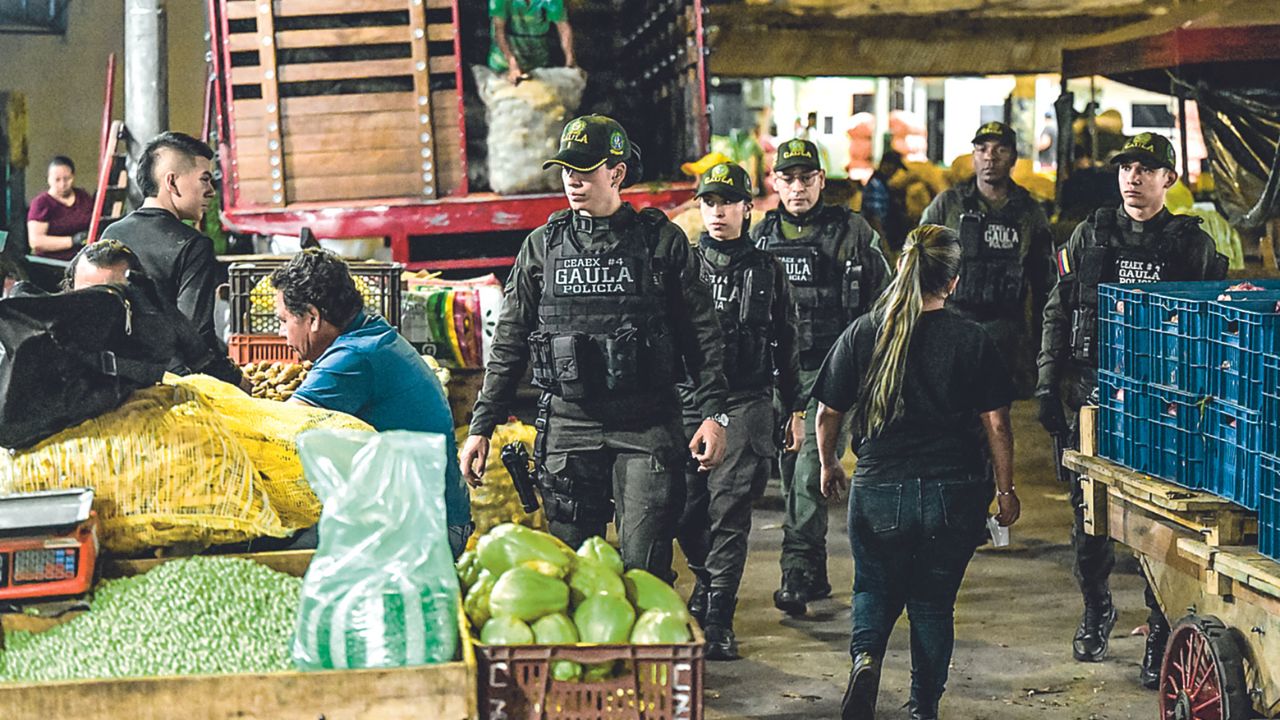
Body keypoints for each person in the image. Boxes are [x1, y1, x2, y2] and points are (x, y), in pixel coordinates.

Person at [460, 115, 729, 578]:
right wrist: (481, 426)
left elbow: (701, 333)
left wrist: (713, 413)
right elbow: (509, 342)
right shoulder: (543, 247)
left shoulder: (662, 244)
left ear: (617, 173)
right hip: (569, 426)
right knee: (571, 575)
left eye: (585, 170)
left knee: (643, 570)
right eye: (567, 169)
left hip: (645, 428)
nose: (573, 180)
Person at [1037, 132, 1228, 688]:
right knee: (1087, 516)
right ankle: (1096, 608)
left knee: (1158, 525)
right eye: (1126, 167)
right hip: (1092, 397)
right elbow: (1059, 307)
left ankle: (1161, 629)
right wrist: (1048, 383)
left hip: (1159, 407)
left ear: (1169, 179)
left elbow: (1212, 328)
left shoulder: (1190, 245)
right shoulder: (1090, 234)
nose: (1133, 177)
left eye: (1147, 168)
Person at [813, 224, 1020, 720]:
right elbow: (997, 423)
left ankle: (866, 661)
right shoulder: (972, 340)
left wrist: (829, 464)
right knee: (931, 603)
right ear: (952, 282)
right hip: (953, 495)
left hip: (879, 487)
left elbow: (826, 413)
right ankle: (922, 706)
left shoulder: (865, 331)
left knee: (872, 588)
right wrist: (1006, 489)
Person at [750, 137, 892, 617]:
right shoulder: (760, 237)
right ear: (774, 183)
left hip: (833, 372)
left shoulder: (853, 232)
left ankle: (794, 570)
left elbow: (887, 302)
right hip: (780, 375)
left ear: (820, 181)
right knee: (792, 473)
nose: (796, 187)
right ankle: (814, 573)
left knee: (810, 469)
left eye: (806, 178)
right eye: (787, 178)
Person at [678, 162, 804, 660]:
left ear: (747, 208)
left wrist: (791, 409)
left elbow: (787, 343)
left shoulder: (767, 270)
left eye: (727, 202)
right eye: (709, 202)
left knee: (728, 510)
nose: (717, 212)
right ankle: (707, 580)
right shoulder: (682, 265)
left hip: (746, 400)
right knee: (684, 509)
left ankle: (719, 619)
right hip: (688, 400)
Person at [272, 248, 472, 557]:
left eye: (284, 321)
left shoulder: (354, 357)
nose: (282, 334)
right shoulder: (371, 333)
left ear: (312, 317)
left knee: (275, 551)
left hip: (427, 530)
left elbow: (278, 434)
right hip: (435, 514)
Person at [919, 122, 1055, 399]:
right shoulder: (948, 204)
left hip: (1006, 331)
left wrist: (1044, 350)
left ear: (1014, 158)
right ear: (974, 157)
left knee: (997, 414)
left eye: (1000, 150)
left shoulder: (1029, 211)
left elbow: (1046, 284)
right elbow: (916, 260)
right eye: (982, 149)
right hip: (952, 323)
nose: (990, 157)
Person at [60, 240, 246, 389]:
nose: (99, 306)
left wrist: (186, 336)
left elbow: (237, 391)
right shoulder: (55, 340)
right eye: (87, 295)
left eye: (113, 294)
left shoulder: (154, 339)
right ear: (70, 290)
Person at [101, 132, 220, 353]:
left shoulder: (111, 233)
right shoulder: (194, 245)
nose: (211, 191)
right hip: (171, 380)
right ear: (172, 182)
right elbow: (195, 336)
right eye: (205, 179)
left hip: (115, 373)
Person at [488, 0, 576, 85]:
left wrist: (570, 59)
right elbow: (499, 31)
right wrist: (512, 63)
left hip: (538, 61)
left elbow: (563, 27)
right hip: (504, 64)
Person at [27, 156, 94, 262]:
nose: (62, 184)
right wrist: (72, 241)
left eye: (67, 179)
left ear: (73, 176)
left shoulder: (83, 196)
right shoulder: (41, 203)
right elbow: (36, 242)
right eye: (57, 180)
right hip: (52, 263)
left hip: (83, 260)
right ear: (49, 179)